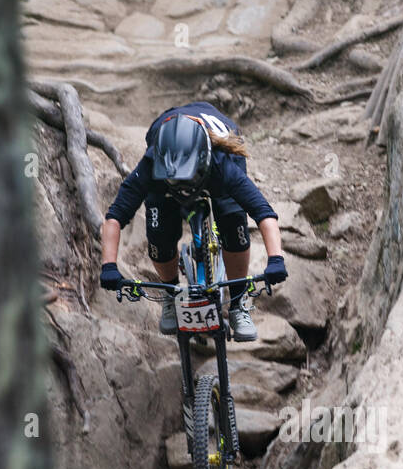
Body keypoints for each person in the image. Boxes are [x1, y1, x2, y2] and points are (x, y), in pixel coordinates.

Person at [99, 101, 287, 339]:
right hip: (164, 166)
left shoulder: (223, 164)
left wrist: (276, 259)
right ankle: (170, 295)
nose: (184, 190)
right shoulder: (152, 164)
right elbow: (115, 216)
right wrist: (109, 265)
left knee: (233, 225)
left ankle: (238, 303)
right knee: (159, 236)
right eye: (177, 182)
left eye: (188, 180)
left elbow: (264, 213)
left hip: (216, 156)